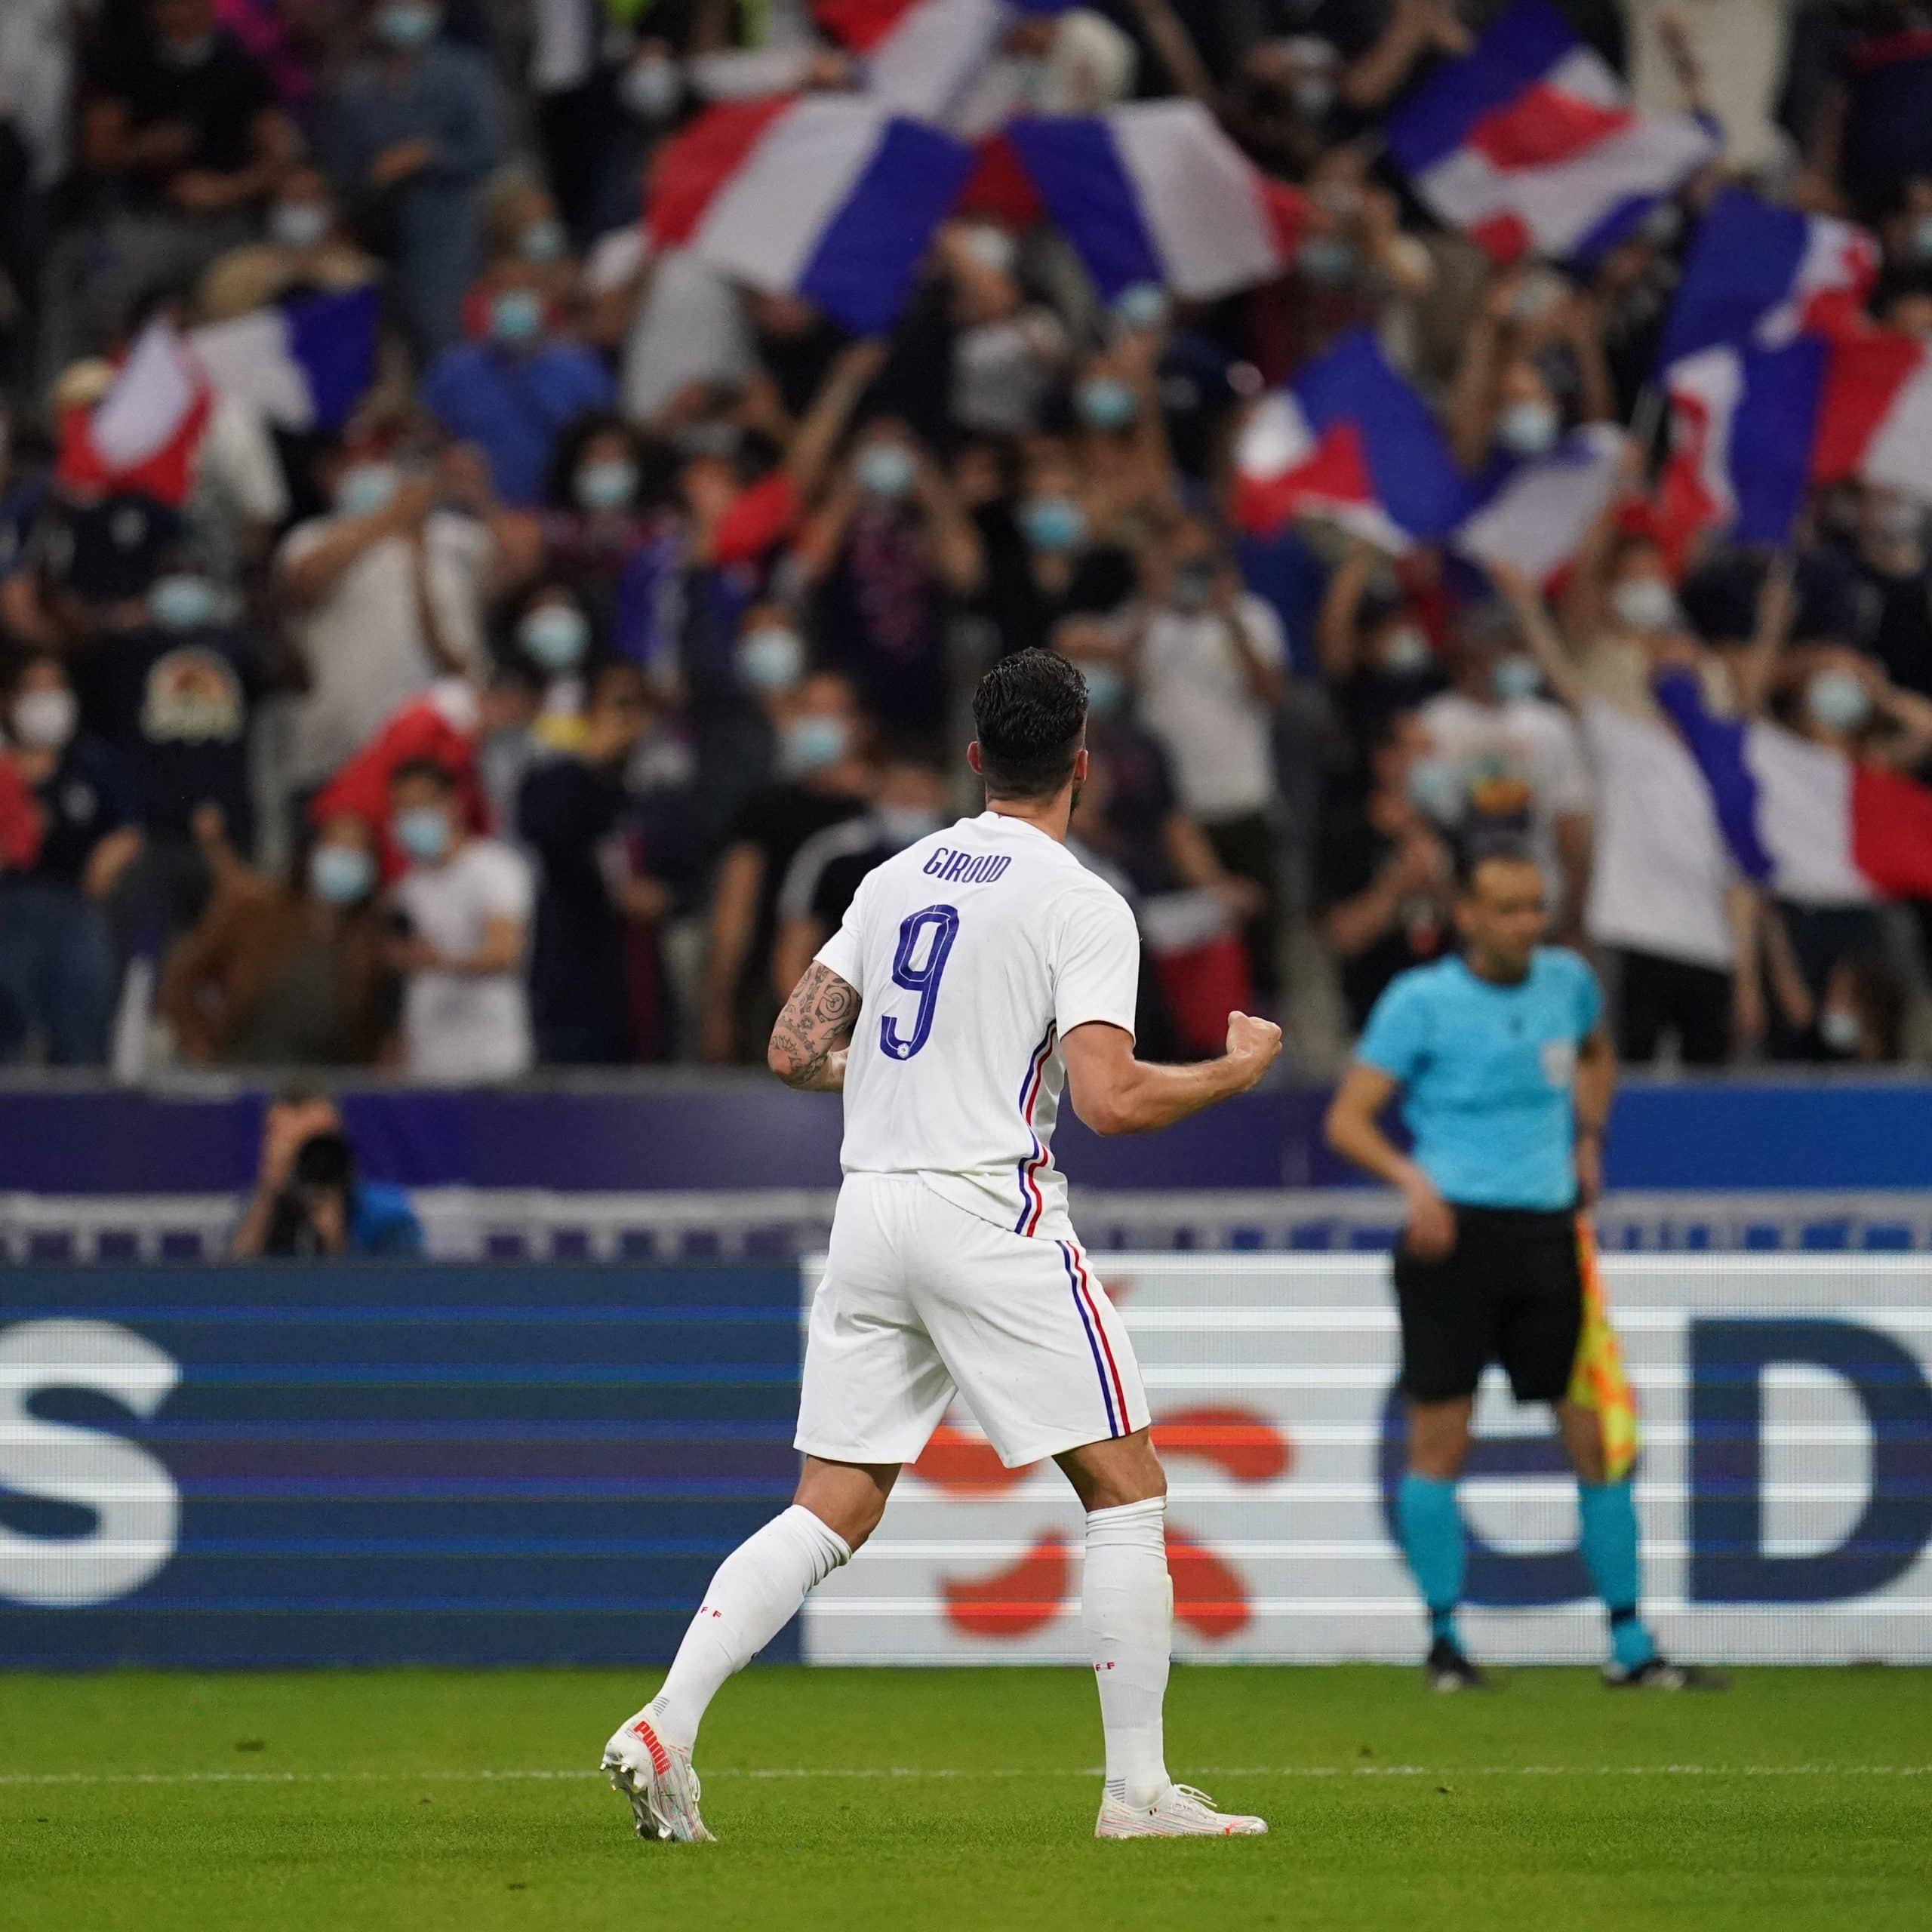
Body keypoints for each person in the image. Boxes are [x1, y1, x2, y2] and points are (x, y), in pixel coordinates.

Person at [601, 648, 1284, 1844]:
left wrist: (908, 1084)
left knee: (832, 1504)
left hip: (870, 1212)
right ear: (1083, 765)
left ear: (975, 759)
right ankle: (1136, 1797)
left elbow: (791, 1047)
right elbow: (1112, 1101)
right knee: (1125, 1491)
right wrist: (1230, 1071)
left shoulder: (894, 876)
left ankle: (666, 1722)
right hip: (989, 1210)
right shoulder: (1080, 901)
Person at [1324, 846, 1722, 1693]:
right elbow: (1349, 1119)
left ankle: (1630, 1643)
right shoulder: (1420, 1000)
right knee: (1440, 1440)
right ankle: (1443, 1642)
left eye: (1535, 906)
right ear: (1466, 915)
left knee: (1595, 1439)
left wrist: (1588, 1137)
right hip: (1452, 1240)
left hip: (1548, 1236)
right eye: (1506, 908)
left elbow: (1596, 1054)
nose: (1525, 923)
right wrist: (1412, 1182)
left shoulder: (1568, 984)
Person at [386, 757, 533, 1081]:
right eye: (401, 808)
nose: (409, 817)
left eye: (419, 805)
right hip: (426, 1064)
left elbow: (505, 953)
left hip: (489, 1062)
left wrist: (440, 961)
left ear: (453, 805)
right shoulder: (408, 888)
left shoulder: (494, 869)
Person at [230, 1090, 423, 1257]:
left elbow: (403, 1291)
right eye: (292, 1141)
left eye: (316, 1142)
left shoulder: (390, 1218)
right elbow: (229, 1287)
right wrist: (267, 1196)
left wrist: (336, 1243)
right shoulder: (260, 1211)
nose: (314, 1159)